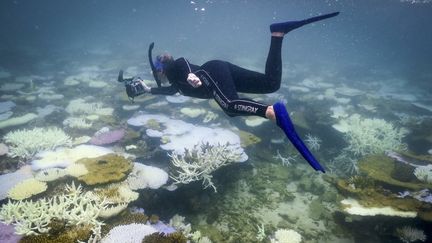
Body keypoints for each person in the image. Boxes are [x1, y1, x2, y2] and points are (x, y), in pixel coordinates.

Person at [119, 12, 340, 172]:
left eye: (157, 73)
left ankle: (271, 111)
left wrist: (190, 75)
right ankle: (278, 34)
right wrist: (149, 90)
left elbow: (183, 62)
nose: (159, 76)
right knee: (270, 84)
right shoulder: (175, 82)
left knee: (230, 106)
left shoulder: (176, 67)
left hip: (210, 72)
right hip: (220, 69)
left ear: (160, 68)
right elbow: (170, 91)